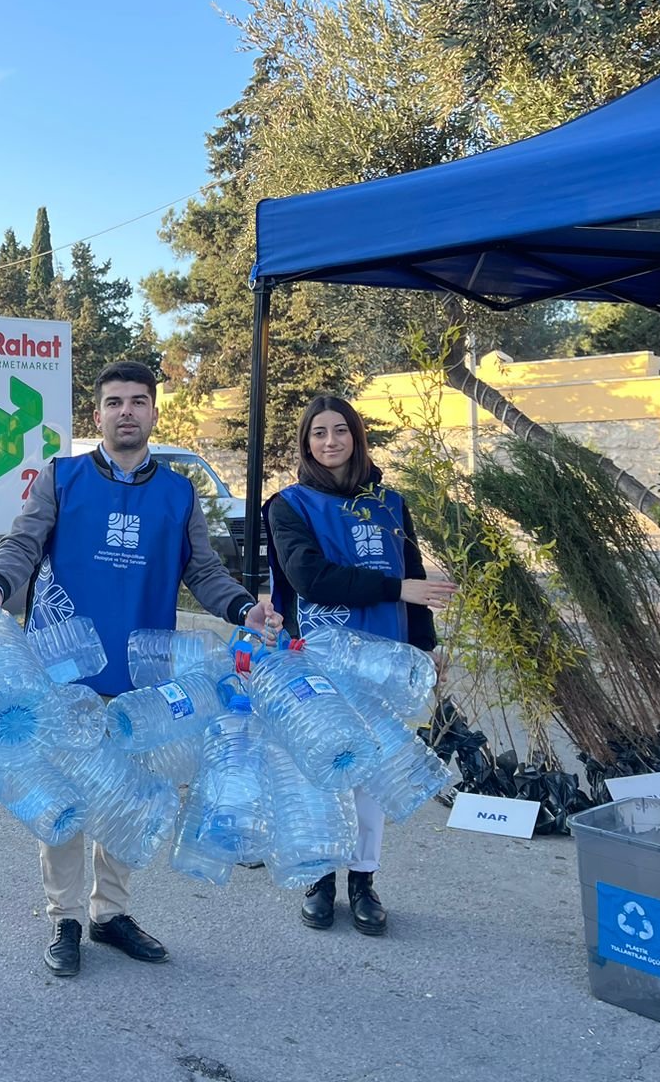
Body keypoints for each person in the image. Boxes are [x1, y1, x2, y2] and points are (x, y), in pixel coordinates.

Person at [0, 360, 279, 978]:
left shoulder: (178, 492)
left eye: (138, 401)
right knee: (63, 797)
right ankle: (65, 918)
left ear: (153, 412)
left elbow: (205, 572)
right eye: (115, 402)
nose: (127, 412)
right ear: (98, 414)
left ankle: (111, 912)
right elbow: (23, 544)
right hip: (63, 671)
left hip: (143, 679)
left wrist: (246, 608)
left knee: (127, 796)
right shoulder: (63, 477)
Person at [264, 393, 454, 937]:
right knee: (324, 771)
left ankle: (363, 881)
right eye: (318, 433)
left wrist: (427, 646)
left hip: (387, 660)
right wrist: (398, 587)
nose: (330, 442)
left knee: (371, 775)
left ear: (356, 437)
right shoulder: (288, 505)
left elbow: (413, 577)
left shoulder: (390, 503)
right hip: (318, 663)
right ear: (306, 443)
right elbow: (309, 577)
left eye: (340, 431)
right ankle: (320, 879)